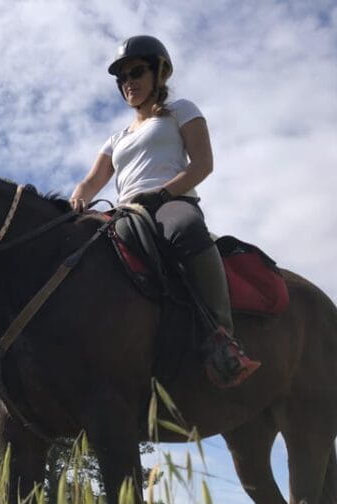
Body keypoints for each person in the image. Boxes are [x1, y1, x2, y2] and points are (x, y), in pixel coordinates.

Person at [70, 35, 260, 388]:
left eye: (136, 72)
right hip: (126, 213)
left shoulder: (181, 111)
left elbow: (203, 164)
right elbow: (91, 181)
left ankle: (222, 339)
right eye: (122, 78)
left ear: (160, 72)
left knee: (186, 228)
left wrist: (161, 195)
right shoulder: (116, 138)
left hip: (170, 203)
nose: (128, 83)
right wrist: (79, 196)